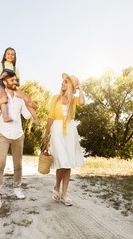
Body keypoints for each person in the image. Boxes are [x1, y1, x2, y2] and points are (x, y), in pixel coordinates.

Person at [0, 69, 34, 211]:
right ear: (4, 81)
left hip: (18, 135)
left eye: (15, 80)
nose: (14, 82)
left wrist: (30, 103)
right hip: (3, 134)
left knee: (18, 164)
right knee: (0, 164)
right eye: (12, 80)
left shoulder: (20, 98)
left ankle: (17, 188)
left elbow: (27, 116)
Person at [43, 73, 85, 206]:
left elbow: (83, 102)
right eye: (62, 81)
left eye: (66, 82)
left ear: (71, 86)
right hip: (57, 129)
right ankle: (56, 187)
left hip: (71, 130)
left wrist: (81, 87)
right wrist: (46, 134)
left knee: (68, 163)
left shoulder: (74, 99)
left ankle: (64, 194)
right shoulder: (55, 98)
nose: (62, 83)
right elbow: (50, 116)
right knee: (61, 161)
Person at [0, 47, 40, 125]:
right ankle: (5, 116)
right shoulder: (0, 65)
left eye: (12, 54)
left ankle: (35, 118)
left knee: (25, 96)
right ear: (5, 56)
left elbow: (18, 83)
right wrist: (0, 77)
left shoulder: (16, 69)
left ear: (15, 57)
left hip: (12, 86)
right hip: (1, 84)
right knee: (3, 96)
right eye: (8, 54)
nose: (10, 56)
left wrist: (15, 82)